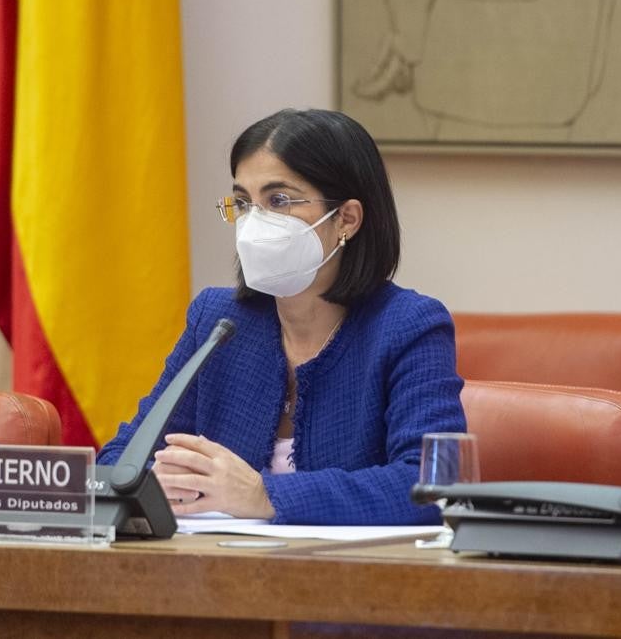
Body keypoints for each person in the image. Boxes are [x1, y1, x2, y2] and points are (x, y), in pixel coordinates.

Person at [96, 108, 465, 525]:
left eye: (279, 200)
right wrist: (150, 481)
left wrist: (262, 495)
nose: (254, 222)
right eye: (242, 203)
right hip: (214, 574)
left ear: (346, 219)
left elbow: (434, 488)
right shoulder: (217, 320)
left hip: (351, 582)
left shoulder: (409, 326)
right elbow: (119, 460)